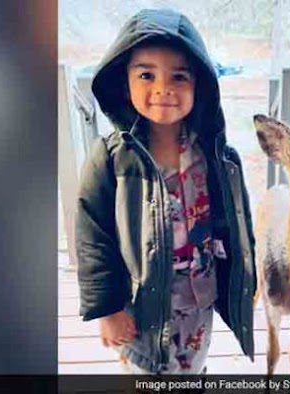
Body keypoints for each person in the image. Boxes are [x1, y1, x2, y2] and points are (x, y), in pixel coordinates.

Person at [75, 8, 256, 374]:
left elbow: (237, 222)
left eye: (179, 76)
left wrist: (245, 278)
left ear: (200, 85)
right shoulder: (111, 159)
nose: (163, 88)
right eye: (146, 74)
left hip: (200, 296)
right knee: (146, 372)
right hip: (140, 303)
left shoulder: (218, 156)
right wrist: (107, 308)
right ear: (125, 84)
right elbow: (93, 237)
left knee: (193, 366)